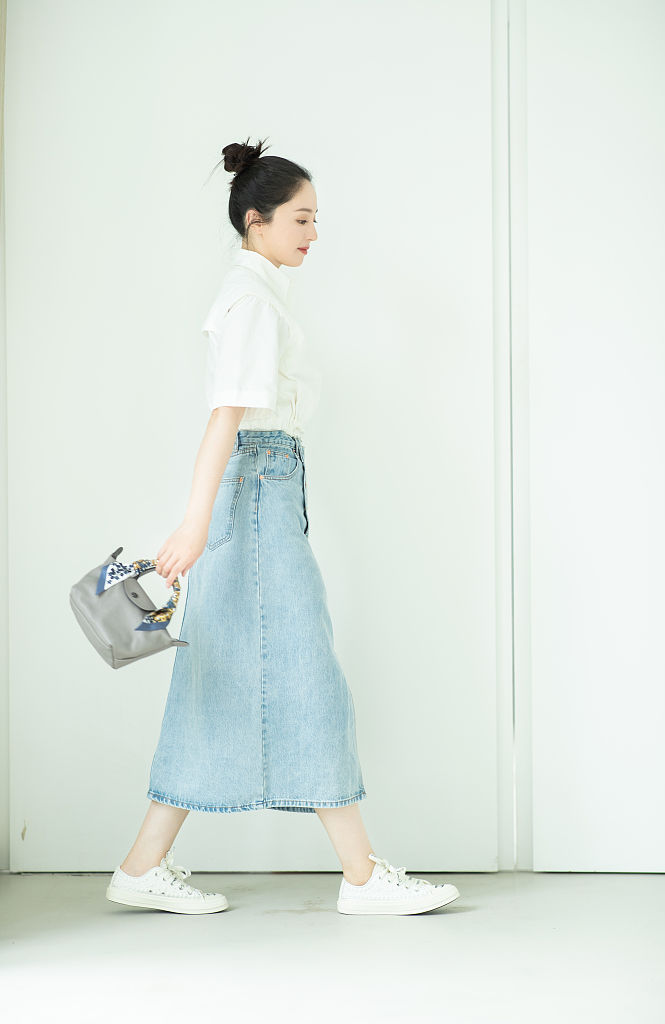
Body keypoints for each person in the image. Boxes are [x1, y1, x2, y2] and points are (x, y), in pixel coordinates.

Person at [105, 137, 460, 916]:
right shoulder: (252, 303)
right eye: (301, 219)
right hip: (256, 495)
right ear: (256, 221)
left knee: (215, 675)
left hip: (264, 489)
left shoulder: (258, 296)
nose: (314, 233)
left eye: (316, 219)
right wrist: (195, 524)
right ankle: (361, 878)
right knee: (309, 673)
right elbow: (225, 420)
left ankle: (140, 866)